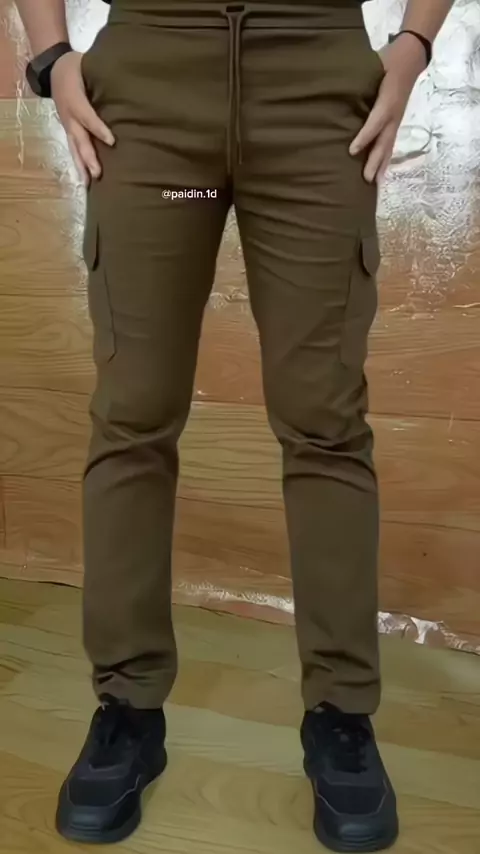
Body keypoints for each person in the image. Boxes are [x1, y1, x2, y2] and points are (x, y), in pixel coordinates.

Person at [17, 0, 453, 850]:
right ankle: (128, 710)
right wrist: (51, 59)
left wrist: (412, 47)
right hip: (151, 82)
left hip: (315, 78)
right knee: (133, 416)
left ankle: (341, 714)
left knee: (324, 419)